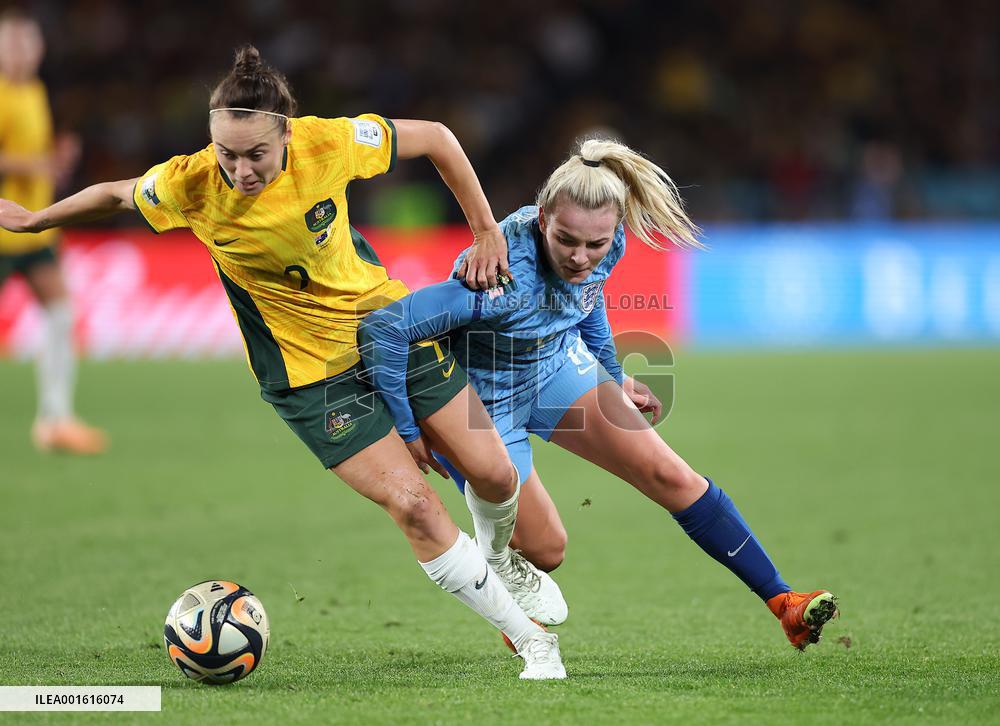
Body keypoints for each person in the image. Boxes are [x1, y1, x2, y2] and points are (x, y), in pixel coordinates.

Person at [0, 45, 566, 679]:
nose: (239, 169)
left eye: (255, 154)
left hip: (390, 330)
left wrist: (486, 228)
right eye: (227, 154)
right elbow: (116, 194)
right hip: (309, 376)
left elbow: (435, 137)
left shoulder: (328, 143)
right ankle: (530, 640)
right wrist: (35, 219)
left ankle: (499, 567)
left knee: (494, 476)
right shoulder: (191, 183)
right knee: (415, 506)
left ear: (287, 134)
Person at [359, 138, 840, 651]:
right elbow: (385, 329)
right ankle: (509, 599)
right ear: (542, 218)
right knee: (546, 550)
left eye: (597, 244)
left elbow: (588, 299)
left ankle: (783, 601)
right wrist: (409, 428)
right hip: (479, 398)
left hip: (553, 366)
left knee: (669, 473)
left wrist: (613, 375)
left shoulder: (608, 244)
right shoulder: (495, 276)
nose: (581, 256)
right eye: (567, 240)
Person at [0, 10, 106, 454]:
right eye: (12, 42)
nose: (22, 50)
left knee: (61, 313)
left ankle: (55, 419)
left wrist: (55, 159)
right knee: (60, 312)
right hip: (3, 228)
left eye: (29, 42)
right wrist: (39, 163)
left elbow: (29, 158)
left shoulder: (35, 91)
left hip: (33, 229)